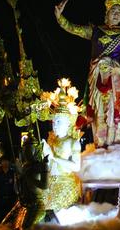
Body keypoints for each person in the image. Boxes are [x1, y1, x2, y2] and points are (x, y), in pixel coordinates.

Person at [54, 0, 120, 148]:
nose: (116, 14)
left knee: (115, 114)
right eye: (113, 11)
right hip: (96, 81)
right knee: (97, 114)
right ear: (106, 13)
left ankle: (116, 146)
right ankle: (100, 146)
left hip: (115, 85)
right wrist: (61, 19)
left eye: (119, 12)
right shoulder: (95, 31)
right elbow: (74, 29)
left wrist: (116, 68)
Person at [42, 78, 82, 213]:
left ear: (68, 123)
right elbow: (47, 165)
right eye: (54, 122)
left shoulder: (72, 142)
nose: (55, 125)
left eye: (58, 121)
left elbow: (76, 166)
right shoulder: (51, 140)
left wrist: (54, 157)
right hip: (50, 184)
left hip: (66, 184)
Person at [0, 130, 49, 229]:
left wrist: (26, 177)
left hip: (36, 203)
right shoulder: (25, 166)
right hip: (25, 202)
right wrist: (18, 176)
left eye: (29, 150)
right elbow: (19, 187)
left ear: (36, 150)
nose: (26, 153)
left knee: (27, 226)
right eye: (25, 150)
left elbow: (44, 185)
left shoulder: (42, 165)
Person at [0, 158, 17, 224]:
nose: (5, 163)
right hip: (1, 199)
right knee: (0, 217)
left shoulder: (13, 173)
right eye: (3, 161)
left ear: (9, 162)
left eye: (7, 161)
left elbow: (15, 186)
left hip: (10, 198)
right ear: (1, 163)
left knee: (10, 217)